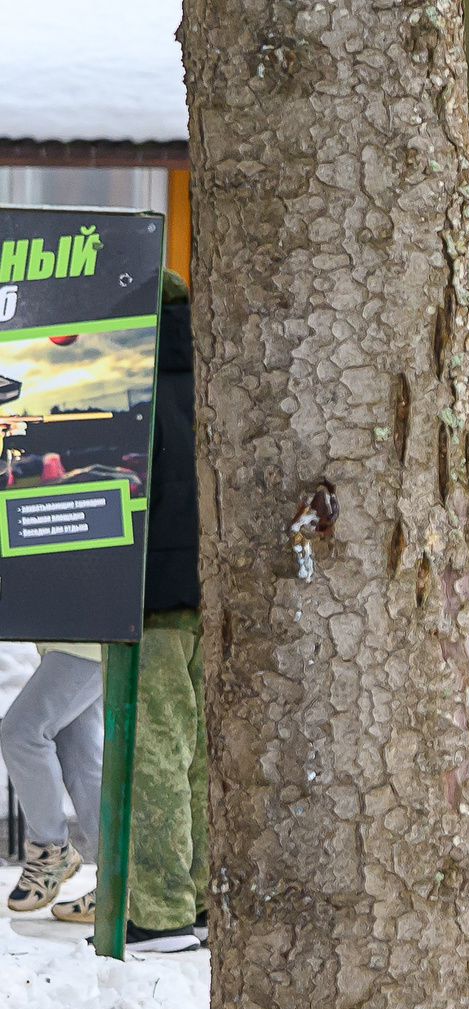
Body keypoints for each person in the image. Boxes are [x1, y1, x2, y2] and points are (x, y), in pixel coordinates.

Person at [56, 272, 207, 954]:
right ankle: (200, 898)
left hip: (148, 598)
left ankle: (159, 912)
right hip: (211, 593)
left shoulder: (126, 389)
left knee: (152, 753)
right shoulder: (219, 379)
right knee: (200, 754)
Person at [2, 642, 102, 913]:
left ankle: (49, 849)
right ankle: (120, 881)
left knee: (22, 734)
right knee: (81, 757)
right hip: (76, 638)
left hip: (86, 640)